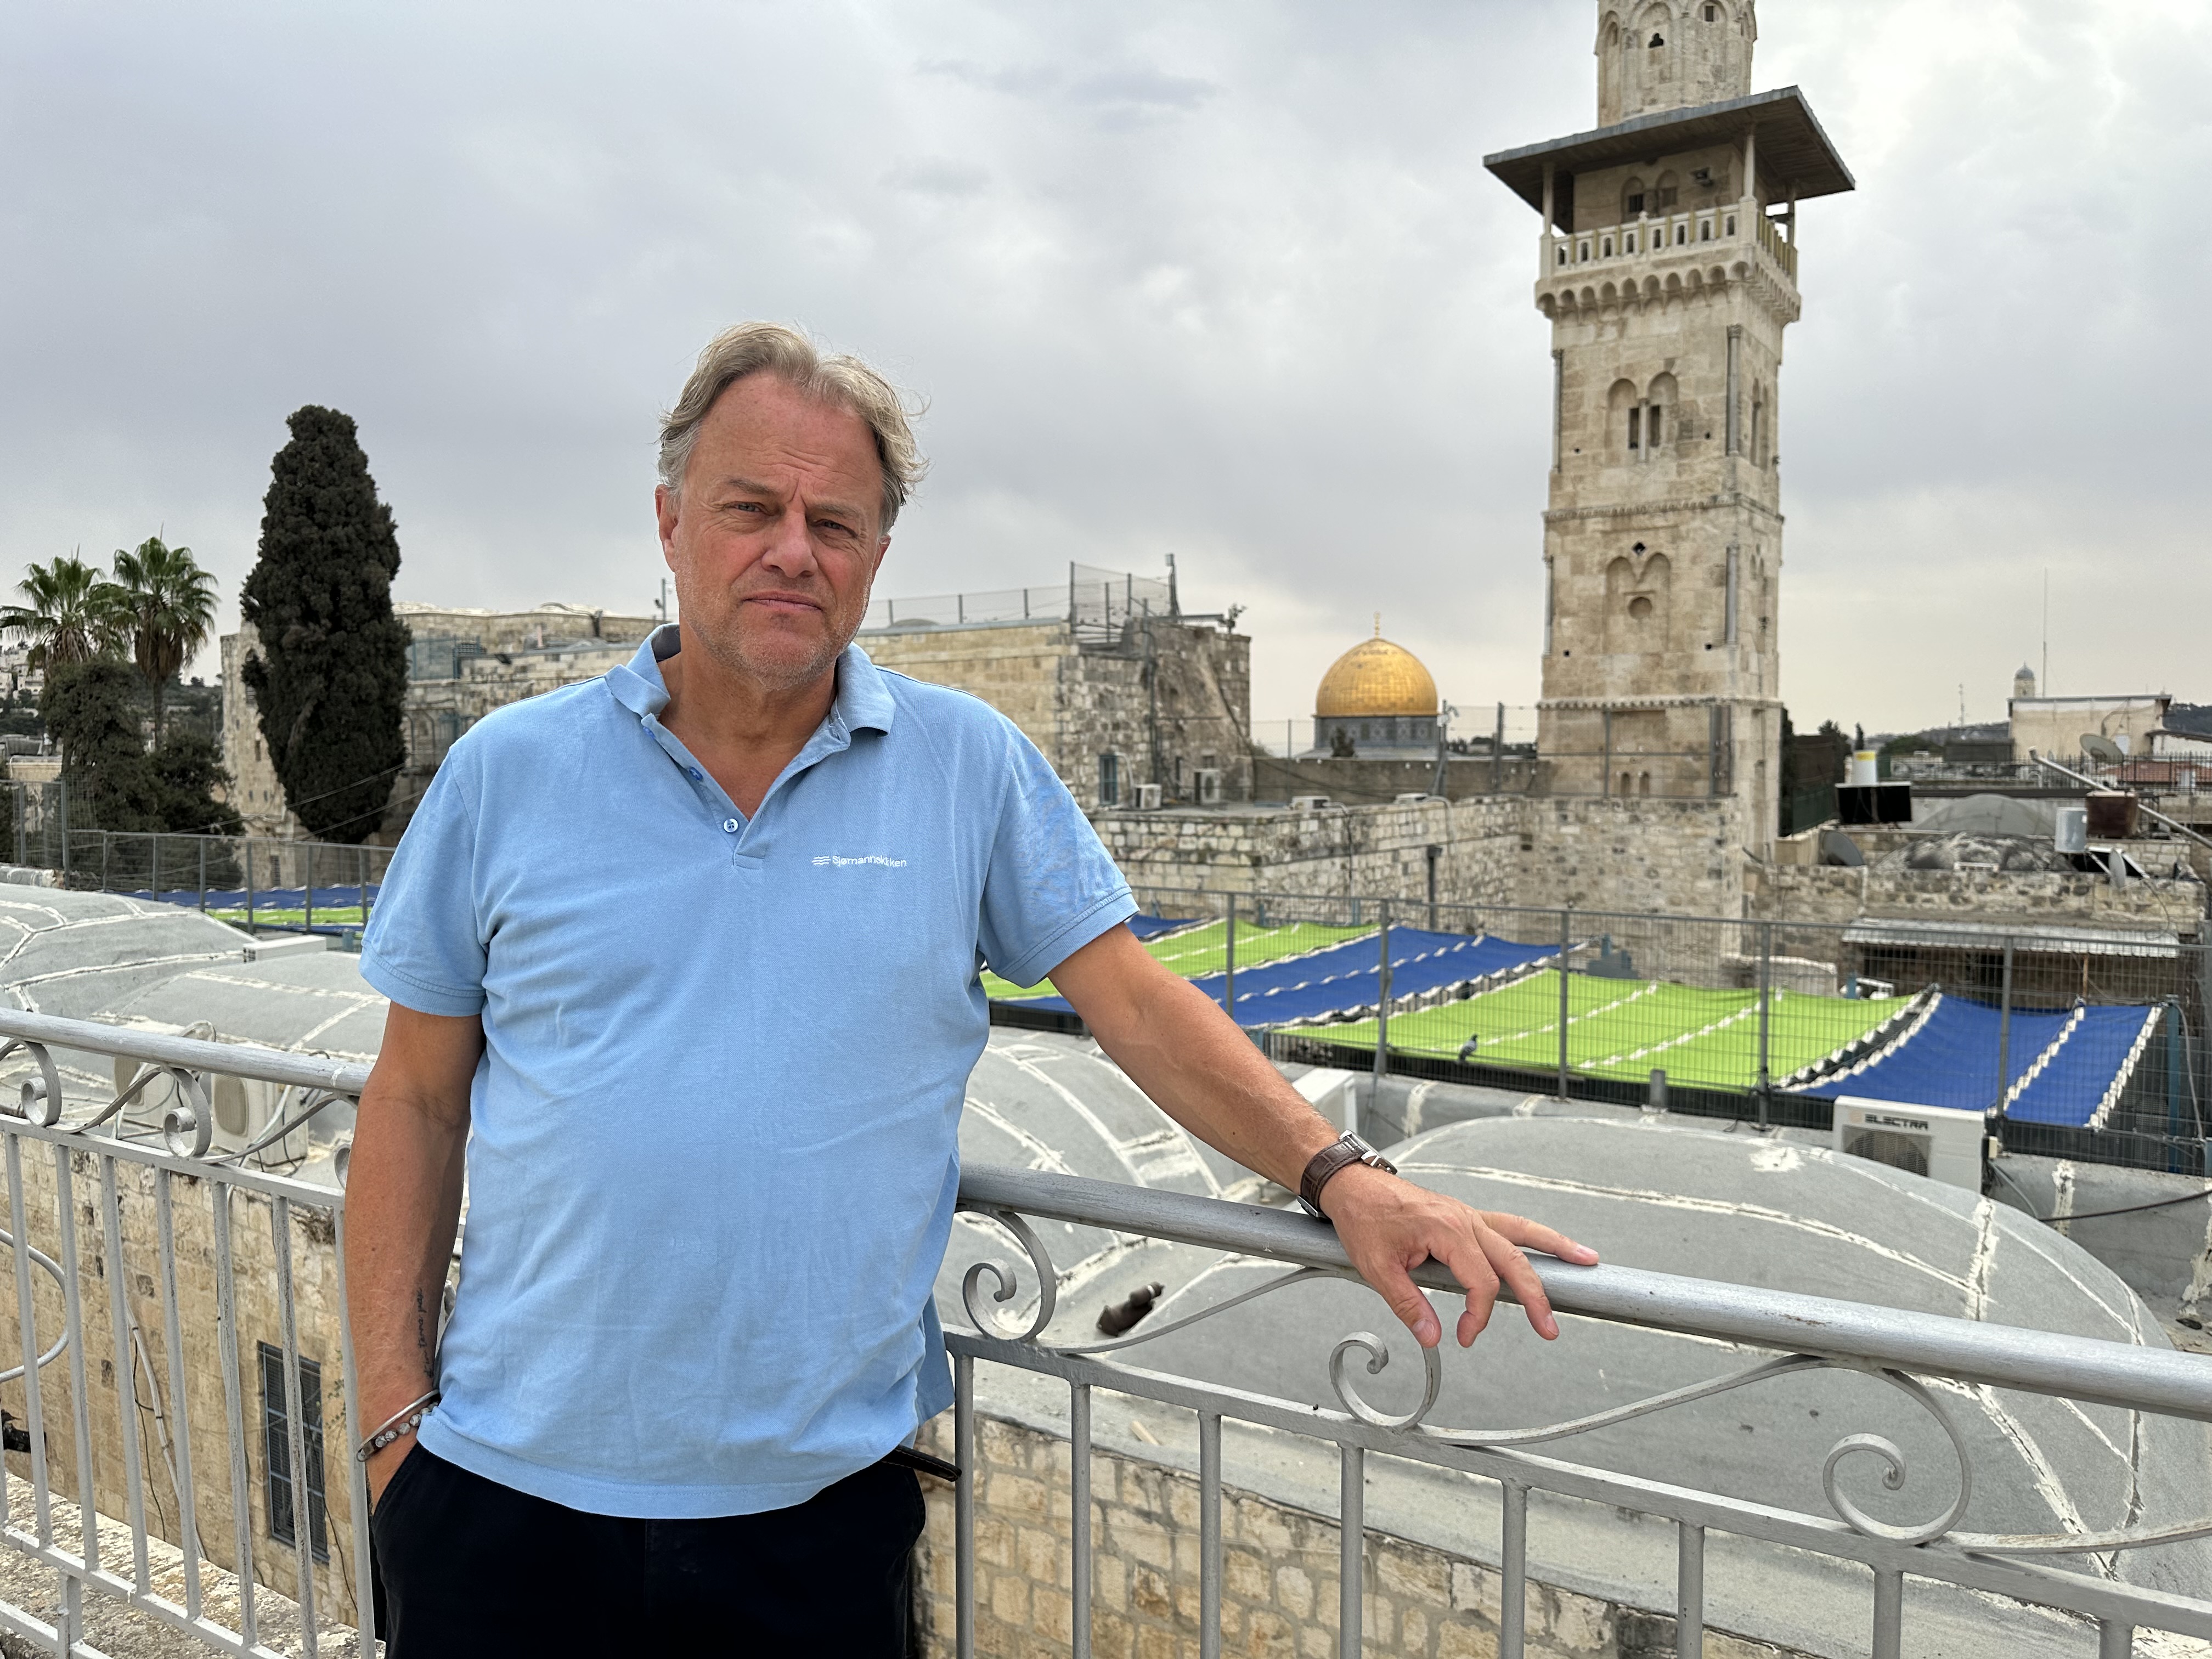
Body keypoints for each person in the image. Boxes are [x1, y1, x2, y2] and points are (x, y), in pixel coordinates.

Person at [345, 321, 1598, 1654]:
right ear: (669, 520)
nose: (793, 550)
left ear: (876, 556)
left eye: (836, 521)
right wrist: (392, 1431)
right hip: (505, 1502)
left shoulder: (967, 768)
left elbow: (1128, 998)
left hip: (813, 1526)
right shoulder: (509, 775)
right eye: (751, 508)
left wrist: (1340, 1172)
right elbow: (415, 1100)